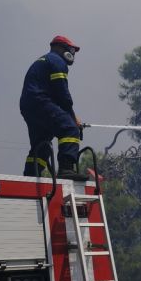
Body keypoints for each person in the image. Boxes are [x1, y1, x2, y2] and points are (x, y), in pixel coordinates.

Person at [20, 35, 87, 180]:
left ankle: (30, 177)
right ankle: (66, 169)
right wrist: (72, 118)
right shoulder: (57, 61)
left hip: (29, 106)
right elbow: (62, 94)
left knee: (41, 143)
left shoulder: (44, 60)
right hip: (40, 102)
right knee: (70, 129)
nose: (73, 54)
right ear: (61, 48)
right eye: (71, 50)